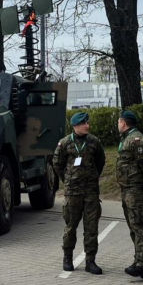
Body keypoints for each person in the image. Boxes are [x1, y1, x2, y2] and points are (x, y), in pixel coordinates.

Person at [52, 111, 107, 274]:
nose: (87, 126)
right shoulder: (65, 143)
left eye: (87, 123)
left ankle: (90, 261)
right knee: (70, 227)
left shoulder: (94, 142)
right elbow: (57, 164)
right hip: (73, 192)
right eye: (84, 123)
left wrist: (92, 176)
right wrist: (68, 179)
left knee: (91, 228)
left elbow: (100, 161)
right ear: (75, 126)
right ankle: (67, 258)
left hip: (91, 192)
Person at [116, 110, 143, 280]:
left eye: (119, 121)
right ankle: (138, 260)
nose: (118, 124)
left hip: (136, 189)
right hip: (127, 188)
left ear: (124, 123)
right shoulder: (126, 138)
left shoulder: (137, 139)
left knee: (138, 225)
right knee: (133, 226)